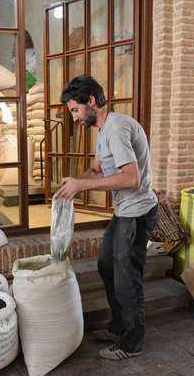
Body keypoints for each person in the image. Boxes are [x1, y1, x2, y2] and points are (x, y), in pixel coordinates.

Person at [54, 76, 158, 361]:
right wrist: (73, 184)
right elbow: (97, 172)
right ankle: (118, 326)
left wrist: (82, 185)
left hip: (137, 213)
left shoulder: (117, 128)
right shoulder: (103, 131)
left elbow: (131, 178)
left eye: (75, 110)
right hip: (123, 211)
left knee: (127, 278)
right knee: (105, 265)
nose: (74, 118)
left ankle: (132, 342)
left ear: (90, 102)